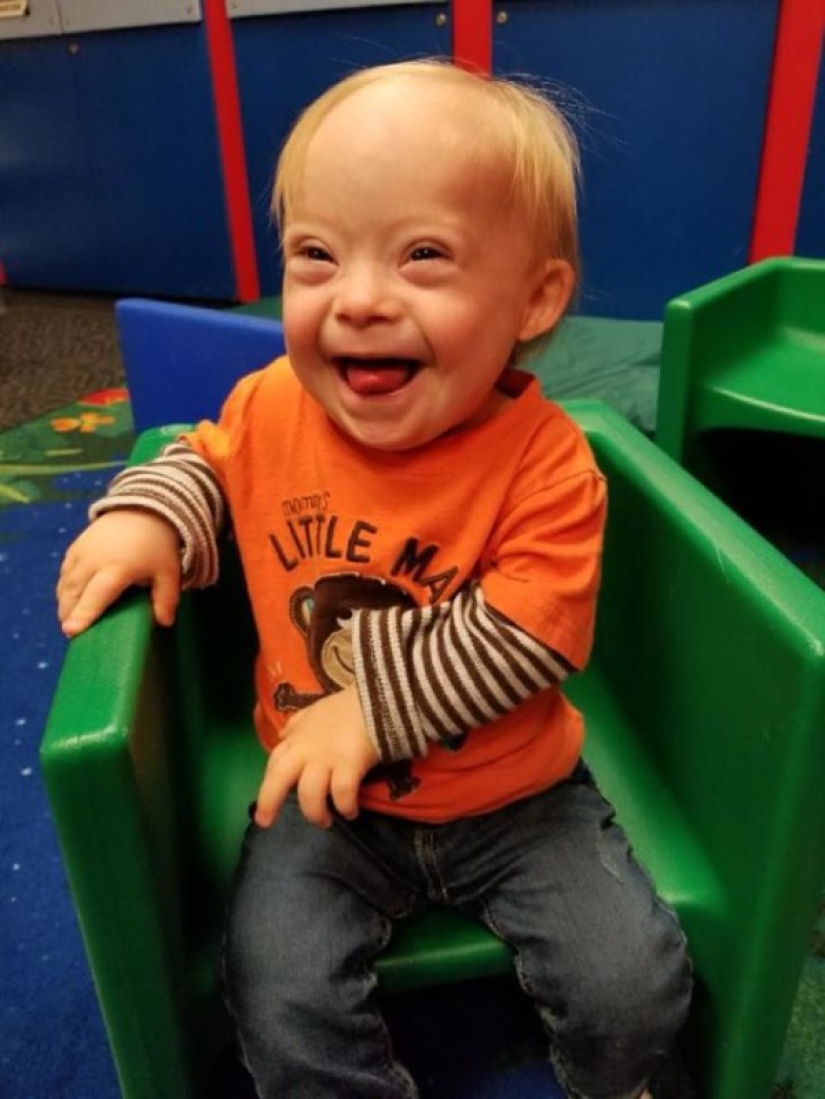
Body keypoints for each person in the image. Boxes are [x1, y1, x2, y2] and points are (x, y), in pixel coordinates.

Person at [56, 59, 691, 1099]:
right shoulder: (272, 404)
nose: (356, 300)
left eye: (422, 256)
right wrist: (149, 515)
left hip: (517, 795)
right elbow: (205, 461)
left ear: (533, 299)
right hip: (323, 800)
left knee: (633, 989)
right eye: (315, 254)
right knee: (277, 990)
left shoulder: (546, 462)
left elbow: (530, 630)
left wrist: (367, 709)